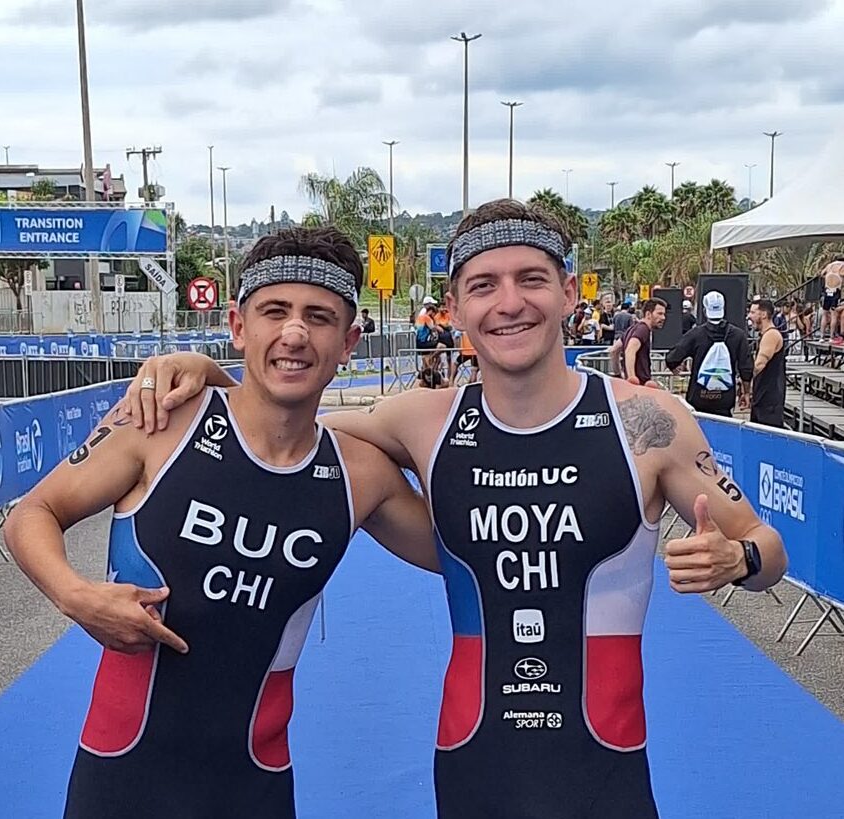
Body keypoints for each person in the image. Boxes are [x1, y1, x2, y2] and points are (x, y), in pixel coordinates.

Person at [126, 199, 787, 819]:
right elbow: (283, 422)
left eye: (531, 279)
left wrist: (739, 558)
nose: (509, 303)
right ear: (457, 308)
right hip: (474, 760)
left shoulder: (646, 421)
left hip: (604, 767)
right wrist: (210, 375)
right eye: (484, 285)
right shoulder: (424, 421)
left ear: (568, 292)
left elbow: (768, 547)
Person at [3, 226, 438, 819]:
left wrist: (432, 421)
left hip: (255, 787)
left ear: (349, 342)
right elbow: (33, 512)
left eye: (318, 317)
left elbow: (466, 550)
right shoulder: (161, 424)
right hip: (122, 779)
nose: (294, 333)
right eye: (274, 311)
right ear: (238, 325)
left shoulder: (360, 475)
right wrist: (74, 595)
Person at [665, 291, 753, 417]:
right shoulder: (738, 335)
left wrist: (674, 368)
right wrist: (746, 392)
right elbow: (746, 367)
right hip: (725, 400)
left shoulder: (696, 334)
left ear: (705, 311)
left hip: (699, 398)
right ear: (723, 309)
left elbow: (672, 357)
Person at [748, 298, 787, 428]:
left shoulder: (771, 335)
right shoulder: (766, 335)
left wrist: (744, 382)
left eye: (753, 312)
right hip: (762, 398)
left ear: (764, 314)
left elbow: (759, 365)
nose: (749, 316)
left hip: (769, 402)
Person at [621, 297, 666, 385]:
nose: (663, 317)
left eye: (664, 314)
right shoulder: (643, 329)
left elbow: (614, 351)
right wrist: (632, 378)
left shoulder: (632, 329)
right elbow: (630, 349)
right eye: (659, 314)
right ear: (648, 314)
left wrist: (618, 373)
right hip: (640, 384)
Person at [819, 257, 844, 340]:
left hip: (827, 291)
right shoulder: (842, 266)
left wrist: (828, 277)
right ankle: (831, 336)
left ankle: (821, 336)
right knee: (834, 315)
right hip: (835, 291)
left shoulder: (829, 265)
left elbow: (822, 274)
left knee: (825, 314)